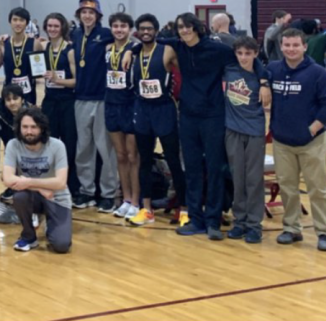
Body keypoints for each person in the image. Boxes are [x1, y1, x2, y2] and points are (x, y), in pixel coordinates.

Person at [170, 12, 270, 240]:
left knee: (214, 169)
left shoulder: (218, 49)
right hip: (187, 116)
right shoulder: (178, 46)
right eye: (180, 27)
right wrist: (130, 50)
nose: (184, 31)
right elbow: (147, 43)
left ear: (197, 27)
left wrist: (264, 80)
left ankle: (213, 220)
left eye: (188, 27)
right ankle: (196, 219)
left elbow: (251, 61)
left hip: (213, 117)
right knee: (193, 170)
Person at [268, 29, 326, 252]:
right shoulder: (273, 70)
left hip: (311, 142)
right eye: (287, 45)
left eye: (295, 45)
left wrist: (313, 129)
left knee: (317, 189)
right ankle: (291, 228)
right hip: (282, 141)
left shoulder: (317, 72)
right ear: (281, 46)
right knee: (287, 188)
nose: (290, 49)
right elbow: (258, 79)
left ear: (304, 47)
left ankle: (324, 232)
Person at [128, 14, 187, 227]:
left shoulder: (166, 50)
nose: (146, 32)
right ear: (138, 31)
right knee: (145, 160)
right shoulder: (134, 54)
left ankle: (184, 209)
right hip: (142, 109)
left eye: (150, 29)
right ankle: (146, 209)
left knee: (173, 160)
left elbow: (185, 69)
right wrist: (129, 50)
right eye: (142, 29)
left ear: (156, 30)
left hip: (164, 108)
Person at [4, 108, 72, 254]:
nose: (29, 131)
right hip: (33, 195)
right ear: (19, 128)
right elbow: (8, 179)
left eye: (34, 127)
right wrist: (39, 188)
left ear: (42, 128)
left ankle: (50, 223)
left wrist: (27, 182)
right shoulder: (13, 145)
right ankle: (29, 236)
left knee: (61, 245)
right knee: (19, 197)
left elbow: (60, 183)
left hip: (56, 197)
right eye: (25, 127)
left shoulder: (57, 146)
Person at [70, 0, 116, 210]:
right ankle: (86, 191)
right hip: (80, 98)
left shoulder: (106, 34)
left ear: (98, 16)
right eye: (83, 12)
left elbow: (127, 42)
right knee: (83, 148)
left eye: (91, 12)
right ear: (79, 15)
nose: (87, 16)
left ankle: (108, 193)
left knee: (105, 148)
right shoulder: (76, 34)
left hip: (101, 98)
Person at [222, 36, 267, 244]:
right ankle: (239, 220)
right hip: (232, 129)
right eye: (240, 53)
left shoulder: (263, 74)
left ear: (255, 54)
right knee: (237, 176)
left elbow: (266, 71)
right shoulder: (228, 70)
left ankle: (254, 224)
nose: (243, 57)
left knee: (254, 179)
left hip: (255, 131)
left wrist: (264, 80)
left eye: (248, 53)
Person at [40, 13, 79, 198]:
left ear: (62, 27)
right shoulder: (44, 47)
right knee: (49, 143)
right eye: (50, 26)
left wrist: (58, 80)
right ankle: (51, 182)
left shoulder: (70, 50)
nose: (53, 29)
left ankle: (71, 185)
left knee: (69, 144)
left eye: (56, 26)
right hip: (50, 101)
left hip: (67, 102)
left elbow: (76, 81)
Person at [105, 12, 138, 219]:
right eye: (115, 26)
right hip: (111, 104)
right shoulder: (108, 49)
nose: (119, 29)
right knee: (120, 155)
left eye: (123, 26)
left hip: (130, 105)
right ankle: (125, 199)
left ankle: (136, 200)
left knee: (133, 155)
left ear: (129, 29)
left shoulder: (135, 48)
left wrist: (132, 49)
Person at [1, 7, 42, 105]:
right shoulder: (3, 43)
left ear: (27, 23)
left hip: (28, 92)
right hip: (8, 92)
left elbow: (41, 68)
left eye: (21, 20)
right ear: (10, 22)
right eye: (15, 20)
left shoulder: (34, 43)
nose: (18, 23)